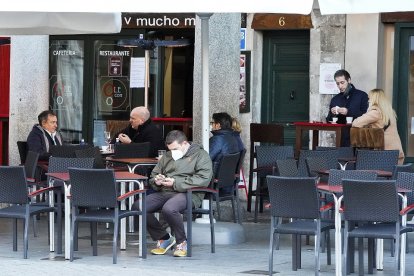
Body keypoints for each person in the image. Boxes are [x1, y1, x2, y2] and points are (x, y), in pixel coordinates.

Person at [134, 130, 213, 257]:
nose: (172, 152)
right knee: (139, 206)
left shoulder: (201, 155)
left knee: (170, 208)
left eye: (175, 149)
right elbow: (154, 174)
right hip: (166, 191)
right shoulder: (167, 155)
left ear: (185, 143)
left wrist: (175, 183)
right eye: (170, 150)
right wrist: (157, 181)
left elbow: (203, 179)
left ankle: (182, 242)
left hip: (190, 193)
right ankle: (164, 238)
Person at [352, 88, 404, 164]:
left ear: (374, 99)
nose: (368, 101)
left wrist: (367, 113)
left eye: (369, 98)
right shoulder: (389, 112)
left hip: (384, 154)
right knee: (393, 175)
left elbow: (355, 123)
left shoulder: (375, 112)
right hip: (396, 152)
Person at [326, 69, 369, 146]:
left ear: (349, 80)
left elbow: (367, 116)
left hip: (360, 140)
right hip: (342, 141)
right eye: (337, 84)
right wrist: (333, 114)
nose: (340, 86)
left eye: (342, 83)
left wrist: (348, 112)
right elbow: (328, 120)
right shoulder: (335, 99)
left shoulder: (362, 95)